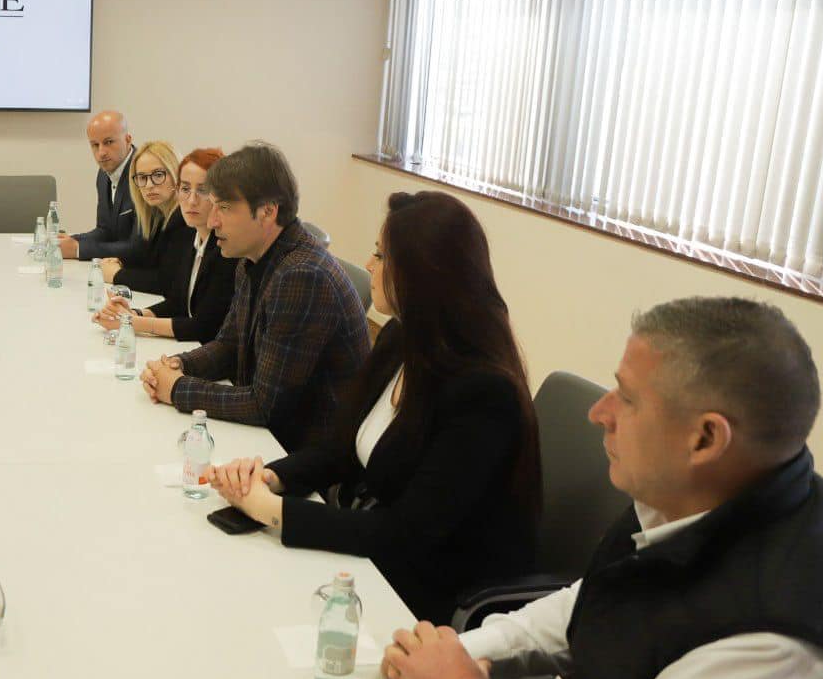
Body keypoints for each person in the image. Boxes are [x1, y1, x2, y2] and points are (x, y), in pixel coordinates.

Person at [382, 298, 823, 679]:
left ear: (704, 439)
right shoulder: (699, 497)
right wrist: (449, 654)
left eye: (626, 397)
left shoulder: (775, 641)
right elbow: (593, 599)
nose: (599, 412)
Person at [209, 191, 540, 623]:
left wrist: (271, 511)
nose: (369, 265)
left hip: (426, 598)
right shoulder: (401, 338)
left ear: (422, 274)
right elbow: (340, 448)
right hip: (374, 560)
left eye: (381, 256)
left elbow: (407, 532)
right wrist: (270, 477)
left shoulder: (484, 392)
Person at [139, 143, 368, 451]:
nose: (212, 222)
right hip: (273, 438)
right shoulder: (253, 257)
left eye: (224, 208)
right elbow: (229, 345)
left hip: (304, 452)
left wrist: (178, 389)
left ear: (267, 212)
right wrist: (177, 365)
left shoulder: (301, 275)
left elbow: (265, 405)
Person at [94, 147, 236, 343]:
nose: (191, 200)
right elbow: (178, 303)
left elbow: (204, 327)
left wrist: (131, 322)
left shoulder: (227, 249)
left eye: (203, 190)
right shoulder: (194, 237)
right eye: (185, 189)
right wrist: (135, 313)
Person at [97, 140, 185, 295]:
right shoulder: (156, 215)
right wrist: (122, 263)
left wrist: (116, 275)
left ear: (176, 175)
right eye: (142, 177)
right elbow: (148, 261)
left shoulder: (185, 220)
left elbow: (167, 282)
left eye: (158, 175)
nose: (149, 185)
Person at [57, 109, 136, 261]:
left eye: (108, 142)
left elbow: (139, 247)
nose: (101, 153)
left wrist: (78, 250)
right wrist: (72, 240)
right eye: (95, 145)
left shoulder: (144, 175)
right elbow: (105, 231)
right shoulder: (103, 174)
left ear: (128, 140)